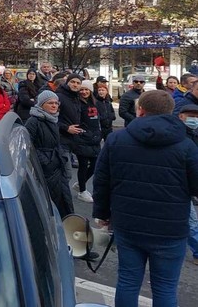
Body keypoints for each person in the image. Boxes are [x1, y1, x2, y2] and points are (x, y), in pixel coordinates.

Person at [94, 91, 198, 306]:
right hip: (171, 228)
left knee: (128, 281)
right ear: (172, 111)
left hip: (128, 224)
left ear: (140, 109)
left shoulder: (116, 139)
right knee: (165, 287)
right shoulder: (187, 146)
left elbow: (102, 181)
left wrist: (102, 214)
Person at [25, 91, 74, 218]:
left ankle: (64, 222)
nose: (54, 106)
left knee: (62, 196)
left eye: (56, 103)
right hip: (45, 166)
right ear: (41, 105)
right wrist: (44, 160)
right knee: (49, 198)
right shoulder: (34, 121)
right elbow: (28, 144)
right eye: (50, 103)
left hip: (56, 163)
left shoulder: (53, 119)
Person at [176, 103, 198, 267]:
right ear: (181, 117)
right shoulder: (176, 135)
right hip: (180, 185)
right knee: (192, 221)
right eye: (190, 116)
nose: (194, 119)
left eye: (196, 116)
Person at [73, 80, 102, 204]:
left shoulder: (94, 102)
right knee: (83, 165)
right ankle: (82, 191)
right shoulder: (76, 104)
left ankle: (80, 184)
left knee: (95, 165)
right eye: (82, 89)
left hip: (94, 138)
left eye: (86, 90)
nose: (84, 92)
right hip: (82, 138)